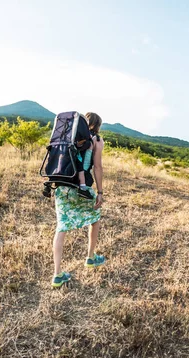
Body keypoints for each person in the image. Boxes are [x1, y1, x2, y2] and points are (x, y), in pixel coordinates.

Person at [51, 112, 106, 288]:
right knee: (95, 218)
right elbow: (97, 167)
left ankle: (57, 275)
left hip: (62, 185)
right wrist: (100, 192)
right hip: (82, 188)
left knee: (61, 227)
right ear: (98, 125)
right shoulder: (96, 140)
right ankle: (91, 257)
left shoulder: (69, 135)